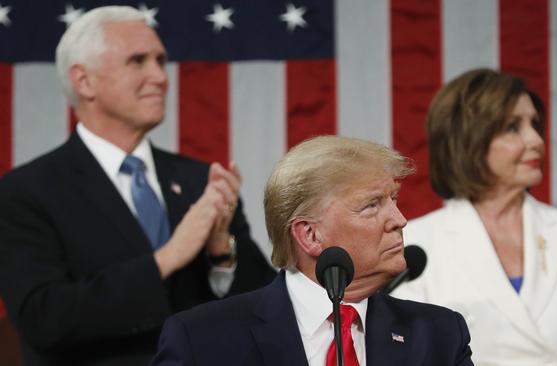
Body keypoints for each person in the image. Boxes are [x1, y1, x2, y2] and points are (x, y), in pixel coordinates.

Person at [0, 6, 275, 366]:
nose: (160, 76)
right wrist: (166, 258)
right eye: (138, 61)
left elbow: (266, 307)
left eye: (160, 60)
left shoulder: (199, 181)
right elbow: (44, 319)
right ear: (84, 81)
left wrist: (221, 254)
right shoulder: (25, 191)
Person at [150, 135, 474, 365]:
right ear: (310, 235)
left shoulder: (440, 336)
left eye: (394, 200)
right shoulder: (202, 339)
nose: (400, 220)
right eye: (372, 206)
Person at [392, 68, 557, 365]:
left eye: (535, 124)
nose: (536, 140)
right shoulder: (417, 245)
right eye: (513, 127)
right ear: (469, 141)